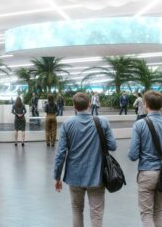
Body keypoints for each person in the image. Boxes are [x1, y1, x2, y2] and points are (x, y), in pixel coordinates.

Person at [54, 92, 117, 227]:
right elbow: (113, 145)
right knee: (96, 213)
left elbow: (60, 154)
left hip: (74, 176)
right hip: (96, 176)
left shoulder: (67, 124)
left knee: (77, 210)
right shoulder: (103, 122)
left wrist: (57, 177)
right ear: (89, 104)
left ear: (74, 106)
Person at [128, 90, 162, 227]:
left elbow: (132, 155)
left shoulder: (139, 125)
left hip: (147, 173)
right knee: (158, 212)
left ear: (145, 104)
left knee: (146, 214)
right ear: (161, 105)